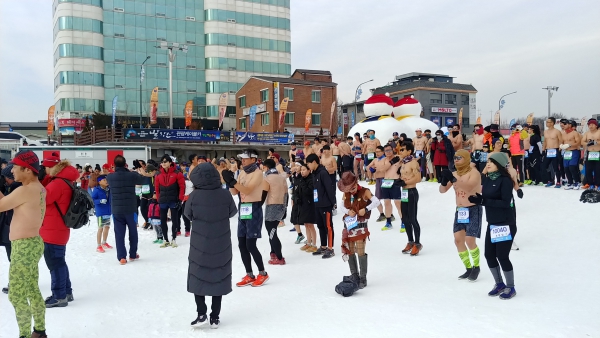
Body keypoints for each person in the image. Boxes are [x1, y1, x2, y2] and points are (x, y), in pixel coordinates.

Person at [0, 151, 48, 338]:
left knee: (17, 294)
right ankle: (40, 330)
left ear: (27, 170)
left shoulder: (25, 190)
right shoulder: (39, 188)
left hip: (23, 246)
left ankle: (25, 335)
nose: (11, 172)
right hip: (34, 243)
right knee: (31, 289)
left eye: (15, 167)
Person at [184, 163, 237, 329]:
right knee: (218, 277)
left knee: (197, 275)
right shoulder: (225, 194)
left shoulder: (194, 196)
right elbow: (232, 212)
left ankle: (201, 313)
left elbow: (188, 214)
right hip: (221, 243)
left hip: (200, 243)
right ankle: (215, 317)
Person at [468, 152, 518, 300]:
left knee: (502, 256)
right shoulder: (488, 179)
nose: (488, 164)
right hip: (493, 223)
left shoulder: (505, 180)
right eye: (488, 161)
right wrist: (480, 198)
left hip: (505, 223)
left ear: (500, 165)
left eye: (492, 162)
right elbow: (489, 198)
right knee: (489, 255)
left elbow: (504, 203)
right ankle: (499, 284)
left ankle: (511, 287)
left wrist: (484, 202)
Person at [221, 149, 270, 287]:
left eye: (245, 158)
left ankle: (263, 273)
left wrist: (233, 181)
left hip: (254, 207)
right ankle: (249, 274)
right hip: (243, 207)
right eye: (241, 158)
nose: (242, 160)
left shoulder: (258, 173)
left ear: (253, 159)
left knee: (250, 244)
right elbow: (235, 191)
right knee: (242, 243)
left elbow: (248, 190)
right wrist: (229, 182)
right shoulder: (242, 172)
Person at [40, 158, 79, 308]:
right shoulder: (65, 181)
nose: (44, 170)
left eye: (45, 168)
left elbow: (42, 199)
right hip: (59, 228)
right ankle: (66, 292)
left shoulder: (57, 184)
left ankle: (59, 296)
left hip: (52, 230)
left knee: (55, 263)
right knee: (59, 262)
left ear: (52, 168)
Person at [439, 149, 483, 281]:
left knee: (470, 240)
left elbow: (469, 187)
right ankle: (468, 267)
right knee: (458, 240)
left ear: (466, 158)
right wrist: (443, 180)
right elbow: (442, 190)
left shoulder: (474, 173)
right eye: (455, 158)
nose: (456, 160)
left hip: (473, 208)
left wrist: (453, 179)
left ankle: (477, 266)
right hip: (460, 210)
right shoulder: (455, 173)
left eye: (459, 157)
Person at [106, 155, 153, 264]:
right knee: (133, 232)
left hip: (116, 210)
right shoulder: (131, 175)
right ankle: (132, 254)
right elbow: (143, 179)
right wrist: (134, 170)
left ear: (114, 165)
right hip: (131, 208)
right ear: (125, 164)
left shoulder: (110, 177)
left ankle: (122, 257)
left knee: (119, 234)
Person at [337, 171, 380, 289]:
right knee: (350, 250)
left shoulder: (365, 191)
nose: (351, 190)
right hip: (349, 226)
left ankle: (363, 277)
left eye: (352, 188)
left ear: (356, 183)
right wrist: (347, 211)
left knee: (360, 251)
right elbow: (341, 206)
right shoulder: (346, 193)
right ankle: (354, 274)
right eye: (348, 189)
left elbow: (377, 201)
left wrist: (365, 209)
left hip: (361, 226)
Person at [306, 153, 336, 259]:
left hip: (326, 204)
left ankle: (330, 248)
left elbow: (329, 188)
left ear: (314, 162)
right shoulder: (314, 173)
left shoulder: (323, 172)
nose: (308, 166)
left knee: (328, 227)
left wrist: (333, 202)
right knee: (320, 226)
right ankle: (323, 246)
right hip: (317, 204)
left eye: (309, 164)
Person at [398, 142, 423, 256]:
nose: (400, 151)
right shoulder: (403, 163)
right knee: (405, 218)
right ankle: (410, 241)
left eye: (402, 150)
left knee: (413, 218)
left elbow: (418, 178)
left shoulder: (413, 163)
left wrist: (405, 182)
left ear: (409, 151)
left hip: (412, 191)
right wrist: (398, 181)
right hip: (404, 192)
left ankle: (417, 243)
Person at [155, 154, 185, 248]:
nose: (163, 163)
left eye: (165, 162)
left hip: (173, 200)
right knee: (163, 220)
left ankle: (174, 239)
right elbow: (156, 188)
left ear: (170, 163)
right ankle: (165, 239)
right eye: (162, 162)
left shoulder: (177, 173)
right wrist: (159, 199)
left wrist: (180, 199)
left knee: (175, 220)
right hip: (163, 201)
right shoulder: (158, 174)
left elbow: (182, 187)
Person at [261, 159, 288, 265]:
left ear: (266, 167)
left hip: (272, 206)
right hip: (281, 205)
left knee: (271, 232)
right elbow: (286, 194)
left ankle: (280, 257)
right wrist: (285, 208)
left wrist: (258, 206)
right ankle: (273, 252)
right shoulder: (282, 178)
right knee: (273, 231)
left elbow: (263, 194)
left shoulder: (267, 178)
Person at [295, 161, 318, 252]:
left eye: (304, 170)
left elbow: (308, 191)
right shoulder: (301, 179)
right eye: (301, 170)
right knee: (306, 224)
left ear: (309, 170)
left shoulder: (311, 179)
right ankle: (308, 243)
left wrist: (302, 183)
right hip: (302, 204)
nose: (302, 172)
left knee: (310, 225)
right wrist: (296, 198)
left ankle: (314, 244)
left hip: (310, 204)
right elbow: (297, 190)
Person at [380, 144, 402, 231]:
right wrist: (391, 162)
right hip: (386, 182)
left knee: (398, 203)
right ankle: (388, 222)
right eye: (386, 151)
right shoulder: (384, 160)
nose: (388, 152)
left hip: (395, 181)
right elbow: (382, 169)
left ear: (392, 150)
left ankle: (403, 222)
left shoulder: (398, 157)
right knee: (387, 203)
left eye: (389, 150)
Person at [366, 145, 391, 224]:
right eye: (376, 152)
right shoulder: (375, 160)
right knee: (377, 198)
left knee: (387, 199)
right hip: (378, 180)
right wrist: (370, 168)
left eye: (378, 152)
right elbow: (367, 167)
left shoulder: (386, 159)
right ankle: (382, 213)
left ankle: (390, 214)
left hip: (385, 179)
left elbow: (385, 168)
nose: (377, 153)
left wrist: (377, 169)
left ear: (383, 152)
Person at [91, 175, 113, 253]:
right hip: (101, 212)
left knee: (107, 227)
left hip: (108, 211)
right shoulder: (96, 190)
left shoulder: (109, 189)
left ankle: (104, 242)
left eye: (106, 180)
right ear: (99, 182)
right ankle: (98, 245)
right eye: (104, 180)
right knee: (100, 228)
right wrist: (99, 201)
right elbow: (92, 200)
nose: (106, 181)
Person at [542, 117, 564, 188]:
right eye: (547, 122)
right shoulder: (545, 131)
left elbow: (561, 141)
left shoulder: (557, 131)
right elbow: (545, 141)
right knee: (544, 166)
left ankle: (558, 181)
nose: (547, 123)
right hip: (548, 150)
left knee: (555, 167)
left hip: (555, 149)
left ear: (552, 123)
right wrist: (543, 149)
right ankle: (550, 180)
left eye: (548, 122)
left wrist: (560, 149)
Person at [560, 120, 582, 190]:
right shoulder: (563, 133)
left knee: (572, 167)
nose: (563, 125)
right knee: (566, 168)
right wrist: (561, 145)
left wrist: (569, 145)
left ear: (569, 125)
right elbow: (561, 142)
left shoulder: (574, 133)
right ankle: (570, 182)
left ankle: (577, 182)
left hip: (574, 151)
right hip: (566, 152)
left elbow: (578, 142)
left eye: (565, 124)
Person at [581, 119, 600, 189]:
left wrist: (596, 143)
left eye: (592, 124)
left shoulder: (599, 132)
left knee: (598, 169)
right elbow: (582, 142)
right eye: (589, 125)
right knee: (588, 169)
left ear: (596, 125)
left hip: (598, 152)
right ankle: (590, 183)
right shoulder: (587, 133)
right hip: (589, 153)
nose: (590, 126)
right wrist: (588, 143)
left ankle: (598, 184)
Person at [140, 164, 157, 230]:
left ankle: (151, 222)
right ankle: (147, 221)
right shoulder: (144, 175)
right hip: (144, 193)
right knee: (142, 208)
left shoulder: (153, 175)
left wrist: (155, 192)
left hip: (151, 193)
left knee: (149, 208)